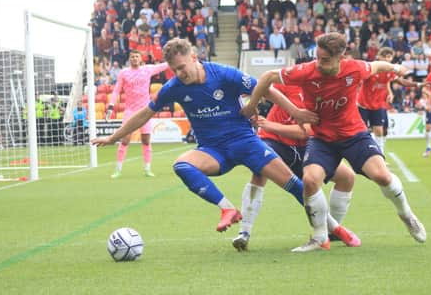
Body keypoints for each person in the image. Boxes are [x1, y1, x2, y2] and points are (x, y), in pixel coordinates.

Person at [92, 38, 318, 236]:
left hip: (245, 142)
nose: (180, 73)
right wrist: (114, 137)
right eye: (174, 70)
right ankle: (228, 209)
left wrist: (295, 112)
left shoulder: (223, 73)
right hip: (213, 150)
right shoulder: (173, 87)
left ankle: (331, 228)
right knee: (182, 166)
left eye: (182, 67)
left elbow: (264, 88)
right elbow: (145, 113)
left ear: (194, 57)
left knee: (293, 185)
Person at [242, 33, 426, 252]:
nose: (319, 64)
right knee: (310, 181)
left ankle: (406, 214)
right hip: (322, 139)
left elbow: (376, 65)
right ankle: (320, 237)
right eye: (317, 58)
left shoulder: (355, 68)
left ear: (341, 56)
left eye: (325, 60)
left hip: (354, 134)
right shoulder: (307, 71)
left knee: (381, 176)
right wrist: (258, 106)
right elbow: (267, 77)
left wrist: (395, 68)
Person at [233, 84, 360, 251]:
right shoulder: (291, 84)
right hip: (274, 142)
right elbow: (261, 88)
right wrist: (253, 103)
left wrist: (269, 124)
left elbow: (305, 132)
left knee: (347, 177)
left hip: (307, 146)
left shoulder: (327, 96)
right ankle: (244, 232)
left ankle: (331, 231)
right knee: (259, 172)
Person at [106, 50, 169, 178]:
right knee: (125, 139)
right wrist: (111, 106)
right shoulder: (124, 73)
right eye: (132, 57)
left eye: (136, 56)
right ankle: (118, 170)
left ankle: (147, 169)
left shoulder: (147, 69)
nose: (134, 58)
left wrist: (179, 59)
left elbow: (165, 65)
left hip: (145, 110)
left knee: (146, 140)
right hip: (130, 111)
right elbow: (116, 90)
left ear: (141, 59)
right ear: (130, 59)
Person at [357, 47, 420, 157]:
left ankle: (380, 154)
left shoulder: (390, 72)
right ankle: (362, 153)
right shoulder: (371, 69)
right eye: (385, 56)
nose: (387, 59)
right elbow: (358, 81)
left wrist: (417, 84)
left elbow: (395, 82)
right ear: (379, 57)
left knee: (379, 130)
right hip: (364, 104)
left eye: (389, 56)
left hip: (377, 105)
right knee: (362, 132)